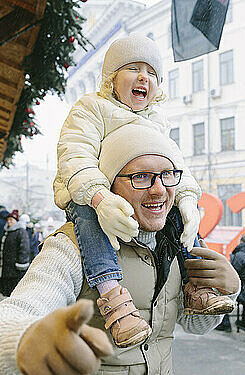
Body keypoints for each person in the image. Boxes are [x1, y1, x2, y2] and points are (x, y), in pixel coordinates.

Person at [0, 125, 240, 375]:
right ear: (110, 186)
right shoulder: (73, 246)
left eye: (167, 175)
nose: (159, 190)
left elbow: (196, 325)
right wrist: (27, 343)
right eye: (141, 177)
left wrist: (226, 291)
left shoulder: (178, 241)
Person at [53, 33, 228, 348]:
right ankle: (111, 295)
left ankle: (197, 286)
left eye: (151, 73)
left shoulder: (158, 119)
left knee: (180, 218)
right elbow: (74, 157)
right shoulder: (92, 107)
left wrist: (188, 200)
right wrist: (100, 197)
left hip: (134, 194)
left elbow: (175, 165)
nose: (143, 78)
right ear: (112, 79)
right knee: (89, 218)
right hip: (89, 194)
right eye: (133, 68)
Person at [0, 210, 31, 296]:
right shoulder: (7, 231)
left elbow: (24, 248)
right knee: (8, 291)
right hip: (7, 268)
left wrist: (21, 264)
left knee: (14, 291)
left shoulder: (20, 232)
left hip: (16, 269)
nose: (9, 222)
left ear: (16, 221)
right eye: (8, 220)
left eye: (11, 220)